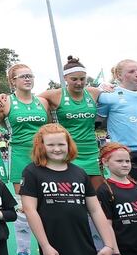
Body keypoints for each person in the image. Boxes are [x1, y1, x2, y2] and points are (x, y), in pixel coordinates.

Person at [20, 124, 118, 255]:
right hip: (56, 247)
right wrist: (46, 246)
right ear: (41, 146)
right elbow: (30, 210)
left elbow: (95, 210)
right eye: (51, 145)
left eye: (61, 144)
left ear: (68, 145)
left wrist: (108, 245)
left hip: (83, 245)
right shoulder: (32, 172)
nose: (57, 149)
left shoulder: (79, 173)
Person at [0, 63, 49, 255]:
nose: (27, 79)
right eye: (23, 76)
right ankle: (23, 254)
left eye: (30, 75)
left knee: (46, 206)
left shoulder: (43, 101)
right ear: (12, 81)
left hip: (44, 157)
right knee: (24, 208)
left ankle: (45, 252)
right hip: (20, 158)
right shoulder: (6, 102)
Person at [38, 56, 105, 189]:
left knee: (97, 194)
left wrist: (108, 87)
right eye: (74, 79)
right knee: (71, 193)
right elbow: (29, 101)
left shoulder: (93, 92)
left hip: (91, 151)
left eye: (82, 79)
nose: (79, 83)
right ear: (65, 78)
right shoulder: (55, 95)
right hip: (67, 151)